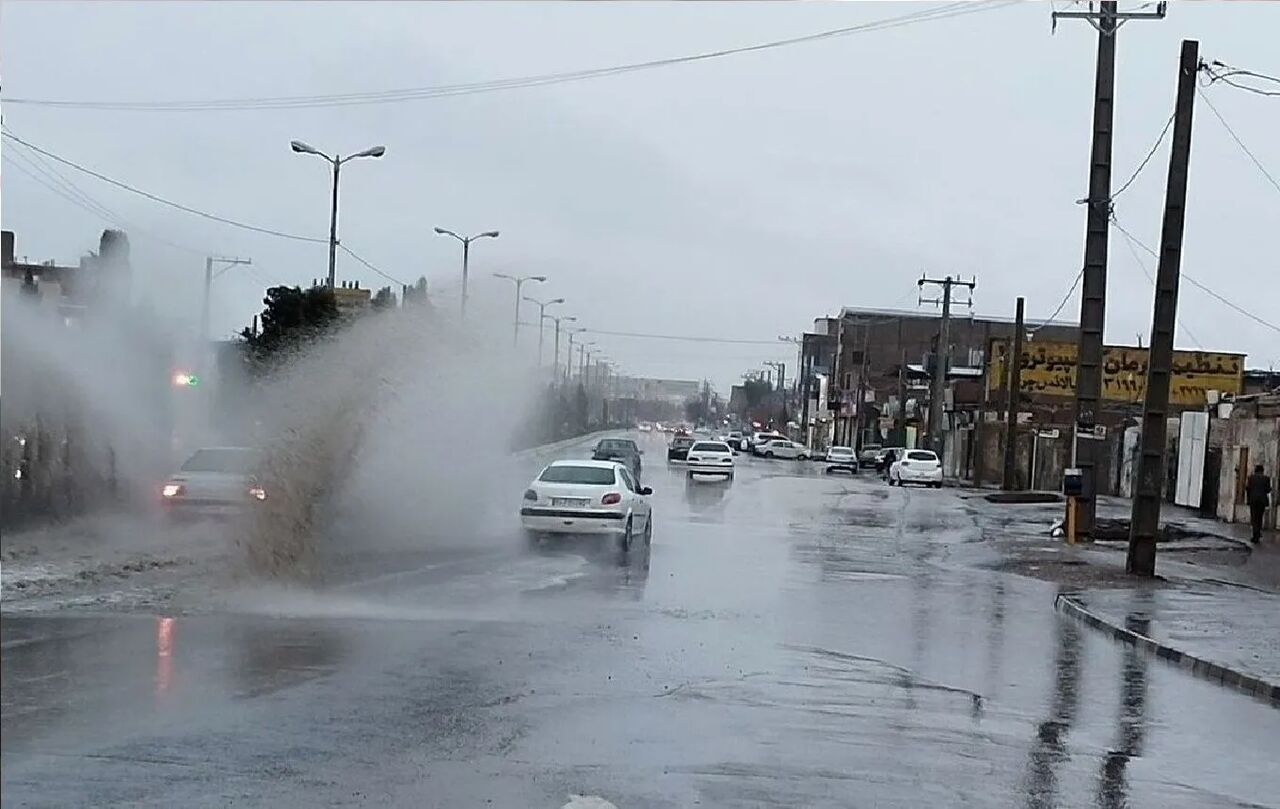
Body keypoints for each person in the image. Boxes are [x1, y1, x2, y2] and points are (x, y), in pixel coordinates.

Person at [1245, 464, 1272, 544]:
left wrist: (1249, 498)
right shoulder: (1266, 478)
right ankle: (1258, 533)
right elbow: (1268, 490)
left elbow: (1248, 489)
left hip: (1253, 500)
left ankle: (1255, 535)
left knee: (1254, 517)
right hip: (1262, 501)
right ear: (1262, 471)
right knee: (1259, 517)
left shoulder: (1251, 478)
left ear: (1255, 470)